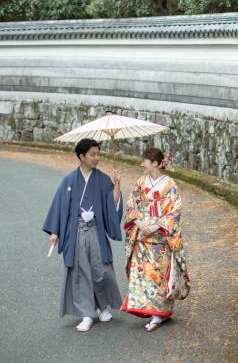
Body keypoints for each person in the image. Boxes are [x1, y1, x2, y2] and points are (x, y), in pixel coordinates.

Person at [42, 138, 124, 332]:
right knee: (81, 272)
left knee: (101, 270)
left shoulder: (103, 179)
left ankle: (103, 307)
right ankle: (86, 314)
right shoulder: (69, 180)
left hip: (95, 231)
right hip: (76, 232)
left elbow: (111, 205)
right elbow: (59, 207)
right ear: (82, 156)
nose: (97, 158)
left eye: (99, 154)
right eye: (93, 154)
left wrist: (118, 185)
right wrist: (55, 231)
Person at [121, 147, 188, 331]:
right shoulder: (140, 182)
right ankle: (150, 311)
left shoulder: (170, 185)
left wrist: (157, 225)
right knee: (142, 275)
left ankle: (158, 315)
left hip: (160, 238)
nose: (142, 164)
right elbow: (131, 204)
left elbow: (175, 211)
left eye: (145, 161)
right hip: (142, 237)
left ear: (156, 163)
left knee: (158, 276)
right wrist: (139, 221)